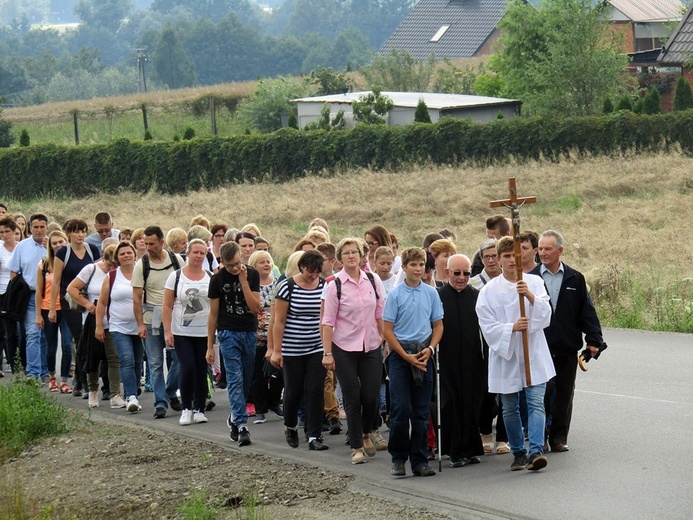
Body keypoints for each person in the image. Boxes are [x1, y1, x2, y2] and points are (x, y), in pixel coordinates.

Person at [476, 237, 554, 472]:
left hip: (532, 352)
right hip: (507, 355)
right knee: (509, 407)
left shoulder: (535, 282)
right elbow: (487, 325)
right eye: (507, 256)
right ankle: (518, 452)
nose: (512, 260)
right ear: (498, 259)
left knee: (535, 403)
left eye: (516, 256)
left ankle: (536, 451)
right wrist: (511, 328)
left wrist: (529, 295)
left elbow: (546, 313)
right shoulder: (489, 291)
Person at [531, 230, 605, 453]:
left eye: (547, 249)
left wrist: (594, 340)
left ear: (560, 251)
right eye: (540, 249)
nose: (542, 253)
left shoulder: (575, 278)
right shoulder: (531, 278)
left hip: (566, 346)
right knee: (540, 395)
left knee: (564, 393)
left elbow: (587, 312)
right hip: (539, 347)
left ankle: (558, 438)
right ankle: (539, 438)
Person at [322, 238, 385, 465]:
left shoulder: (373, 279)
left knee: (370, 397)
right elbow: (327, 322)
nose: (351, 256)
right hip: (344, 348)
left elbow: (380, 312)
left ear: (361, 256)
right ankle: (357, 446)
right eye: (346, 253)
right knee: (352, 397)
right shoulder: (334, 285)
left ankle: (366, 432)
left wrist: (382, 339)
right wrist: (327, 353)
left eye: (355, 252)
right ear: (340, 258)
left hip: (371, 346)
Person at [383, 247, 444, 477]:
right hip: (401, 356)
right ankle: (398, 458)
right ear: (405, 267)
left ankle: (419, 460)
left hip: (424, 354)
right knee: (401, 409)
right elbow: (387, 330)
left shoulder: (431, 293)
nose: (418, 269)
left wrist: (430, 349)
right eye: (413, 265)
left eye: (421, 265)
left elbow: (438, 325)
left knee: (421, 410)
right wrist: (404, 355)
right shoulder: (395, 295)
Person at [271, 250, 329, 451]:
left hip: (317, 346)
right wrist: (276, 350)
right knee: (294, 390)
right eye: (309, 272)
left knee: (315, 390)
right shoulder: (287, 287)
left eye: (317, 272)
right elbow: (278, 321)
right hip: (292, 347)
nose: (313, 276)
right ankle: (291, 425)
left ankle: (314, 434)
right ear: (301, 267)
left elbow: (327, 317)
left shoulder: (324, 286)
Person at [207, 241, 260, 446]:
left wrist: (243, 281)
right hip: (228, 332)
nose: (235, 268)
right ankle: (241, 423)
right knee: (235, 379)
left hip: (248, 331)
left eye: (238, 263)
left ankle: (234, 416)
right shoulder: (217, 279)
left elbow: (255, 307)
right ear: (222, 262)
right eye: (230, 266)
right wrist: (210, 345)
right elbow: (213, 314)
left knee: (246, 378)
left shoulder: (252, 274)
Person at [437, 254, 486, 467]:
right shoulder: (438, 296)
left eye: (466, 273)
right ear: (447, 272)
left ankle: (471, 448)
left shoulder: (476, 296)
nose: (461, 278)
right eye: (457, 273)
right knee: (451, 404)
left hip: (472, 358)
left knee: (472, 402)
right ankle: (454, 451)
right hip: (447, 360)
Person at [132, 226, 184, 419]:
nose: (148, 247)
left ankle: (170, 391)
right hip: (151, 319)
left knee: (179, 358)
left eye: (152, 244)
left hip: (174, 317)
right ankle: (160, 403)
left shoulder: (175, 260)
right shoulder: (141, 265)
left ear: (162, 242)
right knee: (155, 362)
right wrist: (139, 324)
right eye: (145, 244)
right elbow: (136, 297)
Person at [68, 241, 125, 409]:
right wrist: (87, 304)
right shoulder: (91, 269)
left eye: (114, 265)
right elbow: (72, 289)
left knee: (114, 358)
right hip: (93, 320)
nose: (110, 268)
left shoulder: (120, 273)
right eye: (108, 264)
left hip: (114, 321)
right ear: (103, 259)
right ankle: (93, 391)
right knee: (94, 357)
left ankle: (115, 394)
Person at [162, 239, 213, 426]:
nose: (198, 256)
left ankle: (199, 408)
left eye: (202, 253)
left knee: (201, 369)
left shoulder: (210, 276)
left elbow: (215, 306)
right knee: (187, 367)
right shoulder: (175, 277)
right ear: (188, 254)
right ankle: (186, 408)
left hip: (204, 332)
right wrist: (167, 331)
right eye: (195, 252)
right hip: (182, 331)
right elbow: (167, 305)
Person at [50, 218, 102, 397]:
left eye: (83, 231)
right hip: (70, 301)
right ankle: (84, 381)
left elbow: (99, 273)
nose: (80, 235)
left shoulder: (92, 249)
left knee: (88, 339)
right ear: (69, 233)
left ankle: (80, 380)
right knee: (80, 338)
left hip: (90, 300)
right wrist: (51, 307)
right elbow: (56, 281)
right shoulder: (63, 253)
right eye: (76, 231)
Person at [470, 238, 509, 454]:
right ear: (481, 259)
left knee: (508, 389)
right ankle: (485, 432)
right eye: (487, 257)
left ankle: (503, 437)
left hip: (506, 339)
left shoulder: (508, 281)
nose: (492, 260)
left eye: (495, 256)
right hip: (482, 344)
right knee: (486, 390)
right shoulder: (473, 283)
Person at [96, 242, 143, 413]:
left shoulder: (142, 273)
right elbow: (102, 302)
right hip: (118, 326)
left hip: (139, 326)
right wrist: (99, 325)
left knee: (138, 362)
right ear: (117, 258)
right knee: (127, 359)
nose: (126, 256)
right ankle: (131, 396)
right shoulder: (112, 276)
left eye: (129, 252)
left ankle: (134, 390)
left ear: (134, 254)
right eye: (122, 254)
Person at [8, 213, 48, 381]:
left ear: (47, 228)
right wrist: (19, 291)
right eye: (36, 227)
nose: (39, 231)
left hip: (51, 296)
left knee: (47, 336)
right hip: (30, 296)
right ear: (30, 228)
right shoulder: (22, 247)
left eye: (42, 227)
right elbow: (13, 271)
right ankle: (33, 372)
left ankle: (47, 371)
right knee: (33, 333)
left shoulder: (54, 245)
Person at [36, 231, 73, 394]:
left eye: (61, 242)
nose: (58, 245)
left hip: (67, 309)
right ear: (50, 246)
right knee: (51, 347)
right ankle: (52, 377)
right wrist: (38, 314)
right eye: (54, 243)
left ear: (66, 242)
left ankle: (64, 380)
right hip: (48, 309)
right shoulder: (44, 264)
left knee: (67, 344)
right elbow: (39, 290)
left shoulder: (71, 263)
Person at [247, 249, 282, 424]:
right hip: (256, 336)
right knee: (258, 374)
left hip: (276, 336)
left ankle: (274, 402)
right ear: (254, 265)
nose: (267, 264)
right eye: (262, 262)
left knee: (278, 373)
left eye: (268, 261)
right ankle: (260, 408)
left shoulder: (278, 284)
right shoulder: (249, 285)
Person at [0, 216, 20, 374]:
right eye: (1, 232)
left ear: (15, 232)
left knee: (23, 332)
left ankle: (23, 364)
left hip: (20, 293)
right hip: (3, 293)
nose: (4, 235)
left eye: (7, 231)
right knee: (7, 332)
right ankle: (13, 367)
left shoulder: (21, 248)